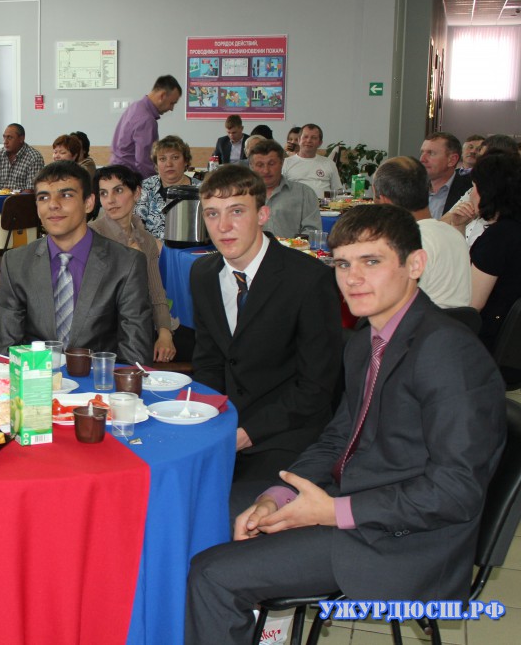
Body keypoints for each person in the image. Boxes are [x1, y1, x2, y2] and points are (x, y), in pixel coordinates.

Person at [185, 204, 506, 644]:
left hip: (405, 543)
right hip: (355, 502)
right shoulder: (364, 342)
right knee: (196, 512)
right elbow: (338, 437)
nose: (352, 278)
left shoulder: (449, 353)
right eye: (342, 264)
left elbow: (456, 491)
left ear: (415, 264)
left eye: (371, 261)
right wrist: (279, 496)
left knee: (211, 575)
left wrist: (332, 512)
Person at [190, 164, 342, 496]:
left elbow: (316, 386)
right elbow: (209, 361)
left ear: (262, 215)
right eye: (213, 214)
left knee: (233, 510)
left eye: (237, 211)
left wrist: (246, 433)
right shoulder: (203, 273)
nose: (223, 226)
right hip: (226, 426)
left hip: (287, 434)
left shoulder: (308, 279)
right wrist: (205, 416)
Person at [0, 161, 153, 364]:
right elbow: (4, 350)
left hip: (98, 381)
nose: (53, 205)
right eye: (43, 197)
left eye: (66, 195)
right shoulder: (16, 263)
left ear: (89, 203)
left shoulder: (126, 264)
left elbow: (135, 357)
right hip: (35, 378)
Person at [91, 165, 194, 362]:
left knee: (199, 344)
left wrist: (164, 332)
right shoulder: (92, 236)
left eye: (118, 190)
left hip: (144, 321)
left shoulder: (145, 240)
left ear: (137, 193)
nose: (110, 200)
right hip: (108, 329)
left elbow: (156, 292)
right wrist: (130, 261)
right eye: (104, 193)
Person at [371, 156, 471, 309]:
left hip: (417, 322)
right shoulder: (454, 234)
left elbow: (388, 305)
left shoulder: (404, 244)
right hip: (455, 322)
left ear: (385, 202)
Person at [469, 151, 521, 365]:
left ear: (488, 191)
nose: (471, 195)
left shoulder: (498, 238)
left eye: (473, 187)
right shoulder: (512, 230)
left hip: (490, 347)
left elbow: (472, 305)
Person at [441, 135, 521, 245]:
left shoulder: (507, 226)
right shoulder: (474, 190)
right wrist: (459, 225)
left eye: (484, 159)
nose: (478, 163)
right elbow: (442, 224)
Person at [109, 75, 181, 178]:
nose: (171, 108)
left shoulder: (135, 106)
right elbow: (144, 162)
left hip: (115, 172)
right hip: (129, 177)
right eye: (172, 103)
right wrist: (155, 183)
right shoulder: (147, 120)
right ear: (162, 96)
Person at [249, 139, 321, 237]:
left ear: (282, 163)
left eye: (271, 164)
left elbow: (312, 232)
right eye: (260, 165)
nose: (266, 170)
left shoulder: (304, 193)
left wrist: (295, 244)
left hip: (293, 246)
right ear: (251, 166)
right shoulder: (241, 196)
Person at [135, 135, 198, 240]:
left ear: (186, 161)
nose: (169, 164)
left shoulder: (202, 189)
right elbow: (136, 225)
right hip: (152, 247)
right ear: (156, 164)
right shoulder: (146, 187)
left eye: (175, 157)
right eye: (162, 159)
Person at [0, 124, 45, 191]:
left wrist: (11, 195)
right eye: (4, 137)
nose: (5, 142)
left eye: (9, 137)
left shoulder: (34, 158)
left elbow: (31, 190)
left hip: (20, 199)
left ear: (21, 138)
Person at [419, 132, 471, 220]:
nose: (422, 159)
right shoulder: (413, 189)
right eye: (422, 152)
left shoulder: (469, 191)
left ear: (452, 160)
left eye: (431, 153)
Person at [281, 124, 343, 199]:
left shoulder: (329, 163)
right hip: (295, 205)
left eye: (314, 138)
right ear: (299, 140)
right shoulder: (285, 163)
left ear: (320, 143)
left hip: (324, 205)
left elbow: (338, 192)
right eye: (305, 137)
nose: (309, 140)